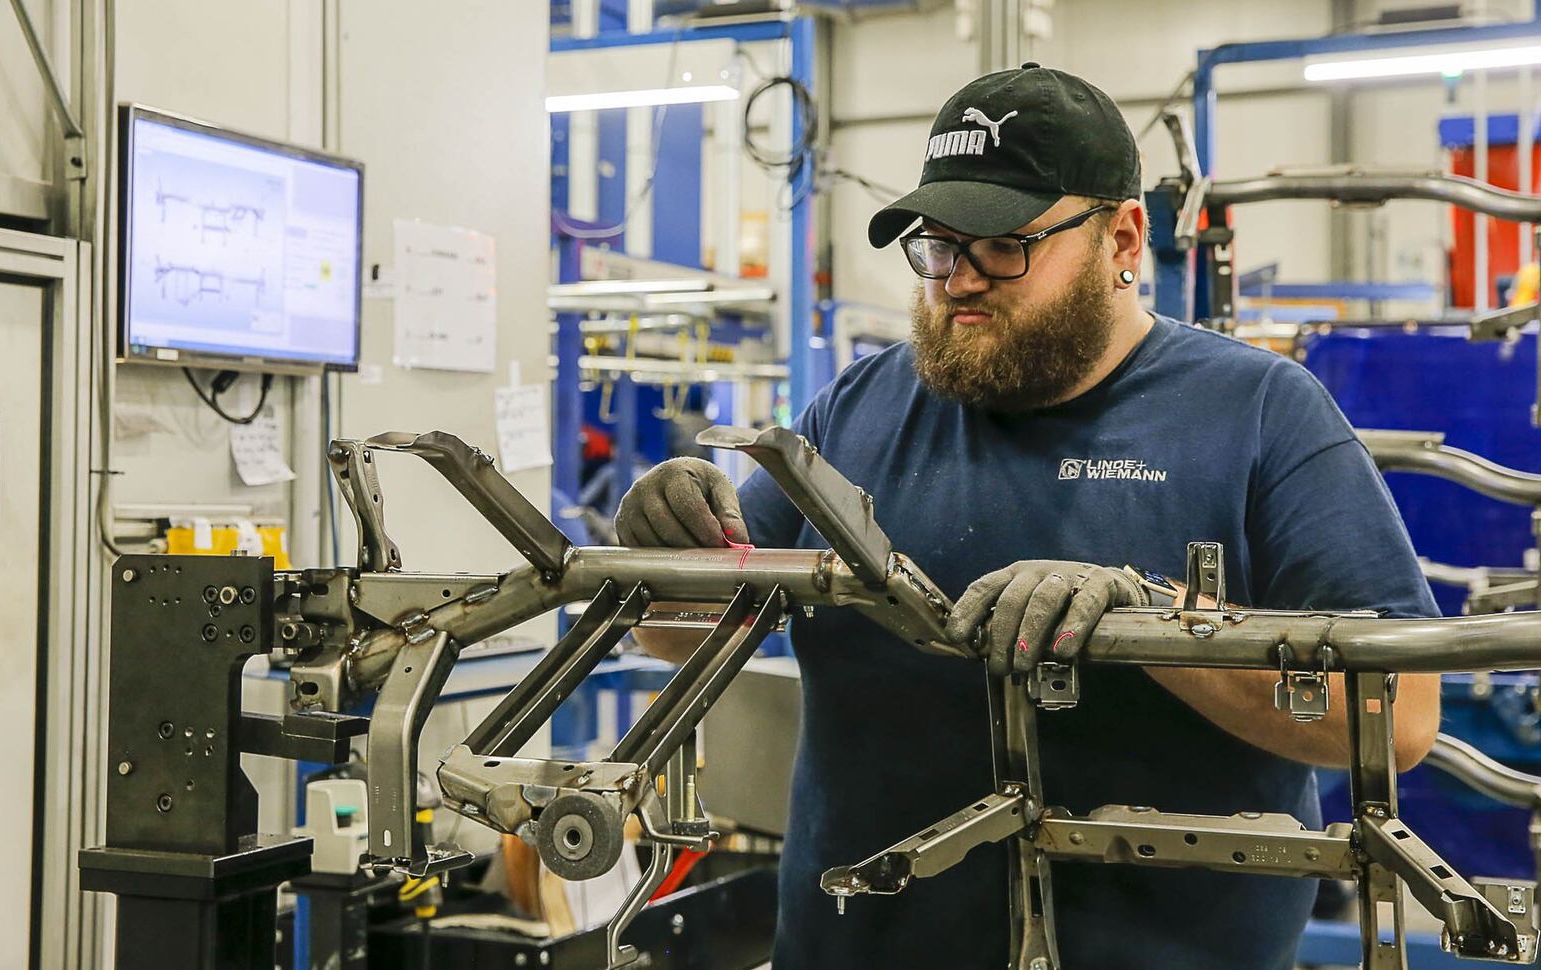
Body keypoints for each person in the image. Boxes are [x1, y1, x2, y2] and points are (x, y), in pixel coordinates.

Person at [615, 64, 1441, 970]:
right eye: (936, 245)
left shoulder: (1260, 414)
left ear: (1123, 237)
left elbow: (1398, 721)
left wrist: (1159, 624)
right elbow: (683, 632)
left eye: (1003, 244)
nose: (957, 281)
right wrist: (668, 549)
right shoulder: (858, 408)